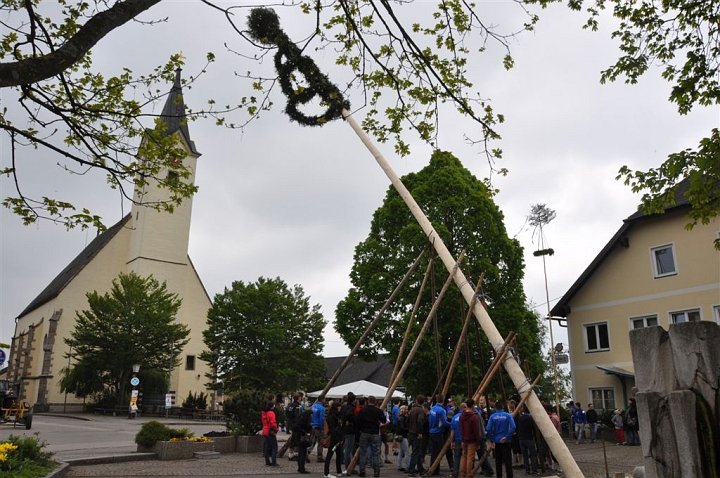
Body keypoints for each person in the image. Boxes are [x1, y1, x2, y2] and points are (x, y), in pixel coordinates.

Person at [357, 395, 388, 478]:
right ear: (375, 402)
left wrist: (361, 428)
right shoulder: (378, 410)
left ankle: (362, 471)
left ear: (368, 401)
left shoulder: (363, 410)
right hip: (375, 433)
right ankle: (376, 473)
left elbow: (358, 421)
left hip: (364, 432)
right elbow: (384, 420)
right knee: (376, 454)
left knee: (363, 453)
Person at [486, 400, 516, 478]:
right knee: (508, 462)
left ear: (495, 407)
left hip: (497, 441)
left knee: (498, 462)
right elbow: (513, 427)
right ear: (502, 407)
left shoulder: (492, 417)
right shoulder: (508, 415)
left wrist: (492, 440)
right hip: (506, 441)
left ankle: (499, 476)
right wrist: (507, 436)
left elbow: (488, 429)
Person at [428, 394, 452, 476]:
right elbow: (444, 423)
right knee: (438, 452)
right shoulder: (442, 410)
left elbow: (429, 420)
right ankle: (435, 470)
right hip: (438, 432)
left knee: (434, 452)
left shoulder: (432, 409)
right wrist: (452, 424)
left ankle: (432, 468)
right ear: (443, 400)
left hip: (431, 431)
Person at [460, 399, 483, 478]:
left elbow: (461, 428)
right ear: (473, 405)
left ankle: (463, 474)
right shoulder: (474, 417)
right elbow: (476, 431)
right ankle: (469, 474)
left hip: (464, 438)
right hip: (472, 440)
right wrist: (478, 442)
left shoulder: (462, 416)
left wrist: (462, 439)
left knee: (464, 456)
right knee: (470, 458)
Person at [515, 405, 538, 476]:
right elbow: (534, 428)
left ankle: (527, 470)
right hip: (529, 438)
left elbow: (516, 428)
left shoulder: (518, 418)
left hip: (521, 438)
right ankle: (534, 470)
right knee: (533, 455)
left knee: (525, 455)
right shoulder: (531, 418)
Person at [324, 400, 345, 478]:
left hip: (337, 438)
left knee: (339, 455)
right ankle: (326, 473)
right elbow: (333, 429)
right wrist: (337, 440)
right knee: (329, 455)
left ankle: (339, 471)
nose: (340, 408)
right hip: (334, 439)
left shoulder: (335, 415)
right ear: (336, 407)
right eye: (339, 407)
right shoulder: (332, 417)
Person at [407, 395, 426, 477]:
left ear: (416, 401)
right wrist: (420, 432)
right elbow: (420, 421)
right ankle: (411, 470)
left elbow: (407, 420)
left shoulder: (412, 409)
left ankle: (421, 469)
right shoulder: (421, 410)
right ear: (423, 402)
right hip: (416, 433)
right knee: (415, 452)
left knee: (417, 451)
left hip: (411, 433)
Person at [340, 392, 357, 475]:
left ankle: (348, 466)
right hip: (350, 430)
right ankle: (348, 468)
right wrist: (352, 421)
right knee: (348, 449)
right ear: (353, 400)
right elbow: (349, 415)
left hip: (345, 429)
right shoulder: (351, 408)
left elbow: (341, 416)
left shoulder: (344, 407)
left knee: (347, 449)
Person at [294, 408, 313, 474]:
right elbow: (305, 428)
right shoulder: (305, 420)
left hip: (298, 437)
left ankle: (300, 467)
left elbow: (296, 427)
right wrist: (305, 432)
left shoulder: (300, 418)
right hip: (302, 437)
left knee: (300, 453)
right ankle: (302, 468)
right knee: (303, 453)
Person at [261, 401, 280, 467]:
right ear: (272, 406)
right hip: (270, 431)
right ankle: (274, 462)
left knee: (267, 447)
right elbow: (273, 423)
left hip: (265, 430)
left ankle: (267, 462)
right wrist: (276, 429)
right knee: (274, 447)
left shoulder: (264, 413)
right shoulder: (271, 413)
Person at [286, 393, 303, 461]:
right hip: (297, 425)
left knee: (293, 439)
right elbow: (298, 416)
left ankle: (291, 455)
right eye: (301, 397)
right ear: (298, 398)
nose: (301, 398)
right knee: (297, 440)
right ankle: (295, 455)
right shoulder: (298, 406)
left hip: (291, 424)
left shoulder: (290, 405)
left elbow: (287, 414)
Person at [449, 405, 463, 478]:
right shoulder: (467, 416)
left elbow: (452, 431)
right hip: (466, 440)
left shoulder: (454, 417)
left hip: (457, 439)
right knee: (466, 457)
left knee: (456, 457)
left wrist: (452, 441)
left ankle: (455, 473)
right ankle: (465, 473)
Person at [312, 397, 327, 462]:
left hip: (312, 425)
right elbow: (322, 419)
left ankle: (306, 453)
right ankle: (319, 456)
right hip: (318, 426)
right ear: (322, 400)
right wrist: (322, 428)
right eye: (324, 399)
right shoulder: (322, 408)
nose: (325, 400)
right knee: (320, 442)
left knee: (312, 441)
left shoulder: (313, 406)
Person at [396, 404, 410, 472]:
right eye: (406, 409)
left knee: (401, 452)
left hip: (400, 436)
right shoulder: (402, 418)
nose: (407, 410)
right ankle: (407, 466)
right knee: (407, 452)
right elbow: (402, 428)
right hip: (403, 436)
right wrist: (408, 429)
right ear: (403, 410)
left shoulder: (400, 417)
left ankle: (399, 465)